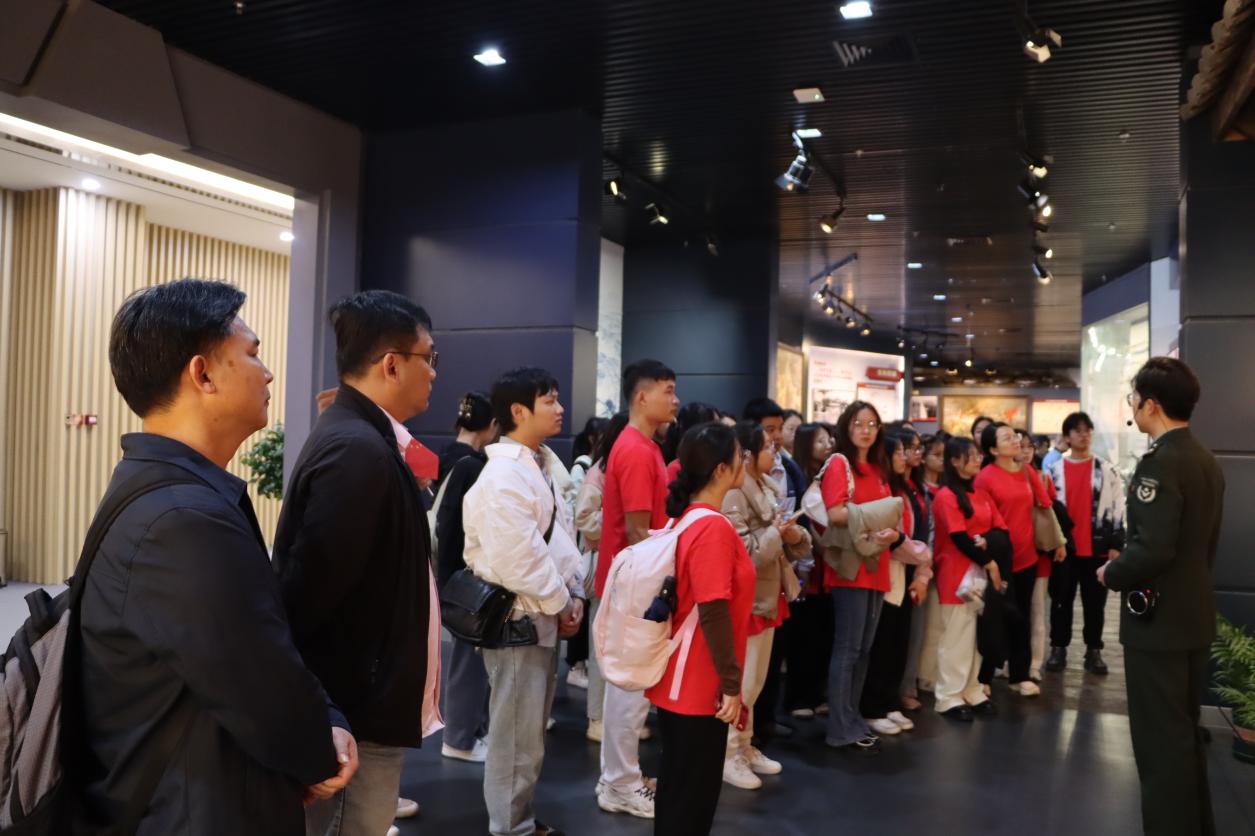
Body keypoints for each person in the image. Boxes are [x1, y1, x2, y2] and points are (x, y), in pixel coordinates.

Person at [79, 279, 357, 835]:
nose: (268, 373)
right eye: (252, 354)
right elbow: (258, 685)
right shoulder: (182, 519)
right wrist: (318, 750)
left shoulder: (166, 490)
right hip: (191, 809)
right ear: (203, 374)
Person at [274, 289, 439, 836]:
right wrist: (330, 710)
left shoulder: (364, 437)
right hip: (356, 709)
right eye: (428, 358)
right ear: (391, 364)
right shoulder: (357, 449)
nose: (434, 373)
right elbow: (310, 596)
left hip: (359, 699)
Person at [1097, 358, 1223, 836]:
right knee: (1184, 737)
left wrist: (1111, 572)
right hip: (1192, 617)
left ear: (1150, 405)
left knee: (1160, 746)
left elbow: (1152, 549)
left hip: (1160, 624)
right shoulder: (1204, 459)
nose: (1133, 406)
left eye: (1134, 398)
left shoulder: (1161, 462)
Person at [461, 367, 585, 836]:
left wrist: (572, 594)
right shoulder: (504, 475)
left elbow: (558, 540)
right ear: (518, 411)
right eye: (549, 400)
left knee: (526, 733)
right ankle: (509, 827)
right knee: (516, 738)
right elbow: (519, 559)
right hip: (518, 618)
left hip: (539, 614)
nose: (559, 408)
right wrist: (562, 601)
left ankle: (517, 820)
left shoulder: (536, 464)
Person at [647, 422, 756, 836]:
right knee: (692, 797)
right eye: (740, 455)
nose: (744, 460)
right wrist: (730, 684)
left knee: (679, 788)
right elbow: (713, 610)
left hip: (684, 677)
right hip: (698, 681)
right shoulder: (711, 527)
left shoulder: (688, 518)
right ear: (720, 470)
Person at [595, 359, 679, 818]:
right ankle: (620, 783)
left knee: (631, 687)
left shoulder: (644, 447)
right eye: (668, 390)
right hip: (635, 582)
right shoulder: (635, 449)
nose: (675, 400)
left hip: (635, 579)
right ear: (642, 396)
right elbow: (637, 530)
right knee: (629, 687)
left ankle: (621, 776)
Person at [720, 421, 810, 789]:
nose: (775, 451)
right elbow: (746, 554)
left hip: (769, 593)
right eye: (768, 446)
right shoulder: (733, 494)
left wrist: (791, 533)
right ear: (747, 454)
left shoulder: (764, 486)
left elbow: (786, 543)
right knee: (742, 684)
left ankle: (745, 744)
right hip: (749, 597)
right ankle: (729, 753)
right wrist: (777, 531)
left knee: (755, 683)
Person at [819, 402, 900, 752]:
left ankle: (852, 719)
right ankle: (839, 727)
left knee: (864, 650)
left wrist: (892, 533)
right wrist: (875, 521)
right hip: (852, 565)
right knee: (848, 649)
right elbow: (835, 512)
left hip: (877, 561)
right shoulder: (840, 463)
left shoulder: (878, 467)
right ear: (846, 427)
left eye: (872, 424)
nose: (866, 430)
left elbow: (891, 514)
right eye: (858, 423)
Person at [974, 422, 1061, 697]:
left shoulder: (1025, 471)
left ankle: (1019, 675)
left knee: (1021, 617)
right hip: (999, 559)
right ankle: (983, 676)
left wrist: (1058, 540)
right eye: (1007, 438)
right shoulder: (984, 478)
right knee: (994, 617)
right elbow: (981, 518)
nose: (1015, 441)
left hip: (1027, 556)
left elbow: (1045, 503)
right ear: (992, 449)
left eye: (1015, 436)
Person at [434, 392, 498, 763]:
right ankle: (459, 738)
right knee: (468, 657)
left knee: (465, 654)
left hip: (446, 570)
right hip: (466, 573)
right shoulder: (474, 467)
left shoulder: (443, 456)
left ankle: (466, 734)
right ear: (492, 426)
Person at [1044, 411, 1126, 675]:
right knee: (1061, 601)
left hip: (1097, 549)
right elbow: (1047, 512)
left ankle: (1094, 650)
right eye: (1077, 431)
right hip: (1064, 549)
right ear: (1067, 437)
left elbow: (1118, 507)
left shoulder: (1106, 470)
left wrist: (1116, 543)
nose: (1084, 435)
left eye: (1087, 430)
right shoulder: (1053, 471)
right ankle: (1058, 648)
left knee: (1095, 605)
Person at [860, 434, 931, 736]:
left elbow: (918, 533)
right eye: (899, 452)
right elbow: (892, 538)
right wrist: (921, 554)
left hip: (904, 572)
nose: (905, 457)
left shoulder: (909, 488)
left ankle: (889, 702)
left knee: (898, 642)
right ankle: (872, 707)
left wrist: (921, 569)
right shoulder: (884, 489)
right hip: (885, 571)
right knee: (882, 642)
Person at [932, 437, 1007, 720]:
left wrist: (987, 547)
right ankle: (949, 695)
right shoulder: (946, 496)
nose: (977, 459)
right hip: (956, 575)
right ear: (954, 461)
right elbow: (959, 538)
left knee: (977, 636)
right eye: (970, 455)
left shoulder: (981, 494)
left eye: (977, 454)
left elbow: (1000, 530)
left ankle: (972, 688)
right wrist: (989, 562)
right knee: (956, 637)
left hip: (980, 576)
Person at [577, 413, 631, 744]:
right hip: (604, 566)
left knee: (623, 647)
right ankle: (596, 717)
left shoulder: (625, 467)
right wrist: (618, 522)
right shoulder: (600, 471)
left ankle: (616, 718)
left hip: (627, 567)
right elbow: (584, 518)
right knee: (601, 648)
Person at [783, 423, 836, 720]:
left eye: (828, 440)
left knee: (824, 633)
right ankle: (797, 697)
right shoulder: (798, 475)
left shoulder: (831, 476)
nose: (827, 445)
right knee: (803, 634)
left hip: (828, 566)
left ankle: (817, 693)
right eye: (820, 441)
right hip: (806, 562)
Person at [565, 415, 609, 690]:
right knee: (580, 608)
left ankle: (581, 664)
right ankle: (575, 665)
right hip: (584, 549)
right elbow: (579, 514)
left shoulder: (594, 467)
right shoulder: (585, 467)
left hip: (587, 548)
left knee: (585, 609)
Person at [912, 433, 948, 696]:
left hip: (945, 560)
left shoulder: (946, 488)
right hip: (922, 560)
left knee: (939, 621)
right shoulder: (919, 489)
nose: (942, 460)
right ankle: (922, 675)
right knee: (924, 624)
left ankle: (934, 674)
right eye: (937, 455)